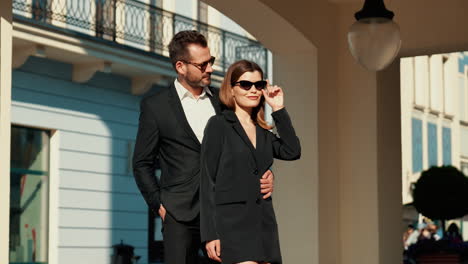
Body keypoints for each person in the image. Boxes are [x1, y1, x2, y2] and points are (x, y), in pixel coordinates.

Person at [132, 31, 275, 264]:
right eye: (202, 64)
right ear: (180, 66)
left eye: (211, 62)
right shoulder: (155, 107)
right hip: (179, 214)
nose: (209, 68)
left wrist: (267, 174)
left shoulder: (225, 103)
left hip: (225, 210)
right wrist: (159, 204)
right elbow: (141, 163)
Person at [200, 60, 301, 264]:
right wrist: (210, 234)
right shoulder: (219, 125)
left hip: (263, 223)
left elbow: (292, 151)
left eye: (259, 85)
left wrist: (279, 108)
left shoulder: (263, 131)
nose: (253, 90)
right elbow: (207, 180)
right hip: (232, 225)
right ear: (232, 89)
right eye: (246, 85)